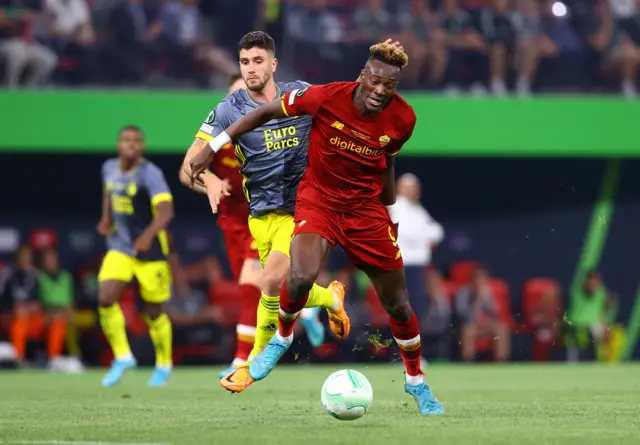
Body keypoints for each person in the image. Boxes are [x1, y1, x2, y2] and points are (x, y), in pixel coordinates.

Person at [190, 42, 444, 415]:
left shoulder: (403, 118)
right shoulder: (325, 97)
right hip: (319, 200)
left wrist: (389, 209)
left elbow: (386, 159)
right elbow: (264, 113)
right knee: (300, 274)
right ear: (362, 76)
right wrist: (212, 148)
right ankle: (282, 338)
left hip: (364, 212)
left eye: (388, 87)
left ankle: (416, 382)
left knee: (399, 306)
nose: (378, 91)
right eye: (374, 81)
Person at [180, 31, 353, 388]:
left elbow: (340, 112)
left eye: (258, 61)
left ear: (273, 64)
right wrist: (208, 180)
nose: (251, 69)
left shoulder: (299, 94)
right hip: (259, 217)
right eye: (244, 62)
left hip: (303, 209)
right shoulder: (228, 109)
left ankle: (253, 361)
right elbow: (190, 162)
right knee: (280, 287)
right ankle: (330, 298)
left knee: (270, 279)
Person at [97, 125, 175, 387]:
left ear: (141, 147)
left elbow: (166, 211)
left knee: (153, 311)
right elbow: (109, 192)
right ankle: (123, 356)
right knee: (106, 298)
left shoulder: (150, 173)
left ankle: (163, 364)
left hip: (149, 251)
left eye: (136, 141)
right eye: (126, 140)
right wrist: (106, 218)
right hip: (120, 246)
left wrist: (148, 235)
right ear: (119, 144)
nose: (131, 144)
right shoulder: (109, 167)